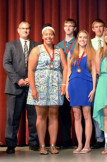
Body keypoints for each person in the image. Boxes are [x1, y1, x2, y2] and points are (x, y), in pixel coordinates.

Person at [27, 25, 67, 155]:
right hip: (40, 85)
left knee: (54, 115)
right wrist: (33, 88)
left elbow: (65, 68)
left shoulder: (59, 50)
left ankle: (53, 145)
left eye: (51, 34)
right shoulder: (36, 50)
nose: (49, 36)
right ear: (42, 36)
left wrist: (64, 84)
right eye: (46, 34)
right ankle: (42, 146)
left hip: (56, 84)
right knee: (41, 116)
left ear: (54, 36)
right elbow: (31, 70)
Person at [3, 21, 39, 154]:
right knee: (12, 117)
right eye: (23, 28)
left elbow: (39, 65)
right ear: (18, 30)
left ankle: (34, 142)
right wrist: (18, 80)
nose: (25, 30)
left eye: (28, 28)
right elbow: (6, 63)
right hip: (14, 87)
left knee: (34, 116)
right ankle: (11, 144)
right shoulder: (10, 45)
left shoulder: (37, 46)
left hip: (32, 87)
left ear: (30, 30)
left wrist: (31, 79)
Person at [66, 30, 96, 154]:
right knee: (76, 116)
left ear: (87, 39)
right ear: (77, 39)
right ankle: (79, 144)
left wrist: (94, 89)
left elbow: (94, 71)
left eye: (85, 37)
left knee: (87, 115)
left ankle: (87, 144)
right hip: (73, 84)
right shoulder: (71, 53)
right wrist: (67, 88)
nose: (82, 39)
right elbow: (68, 71)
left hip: (86, 84)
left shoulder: (91, 53)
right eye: (80, 37)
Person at [57, 18, 77, 148]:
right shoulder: (58, 45)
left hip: (76, 80)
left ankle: (83, 140)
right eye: (66, 26)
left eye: (71, 26)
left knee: (79, 111)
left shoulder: (79, 42)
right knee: (63, 112)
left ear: (75, 29)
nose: (68, 28)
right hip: (63, 81)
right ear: (64, 28)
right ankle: (66, 140)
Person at [91, 19, 106, 149]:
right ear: (93, 29)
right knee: (97, 108)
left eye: (101, 26)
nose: (99, 29)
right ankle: (99, 137)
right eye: (96, 27)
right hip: (94, 77)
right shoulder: (90, 43)